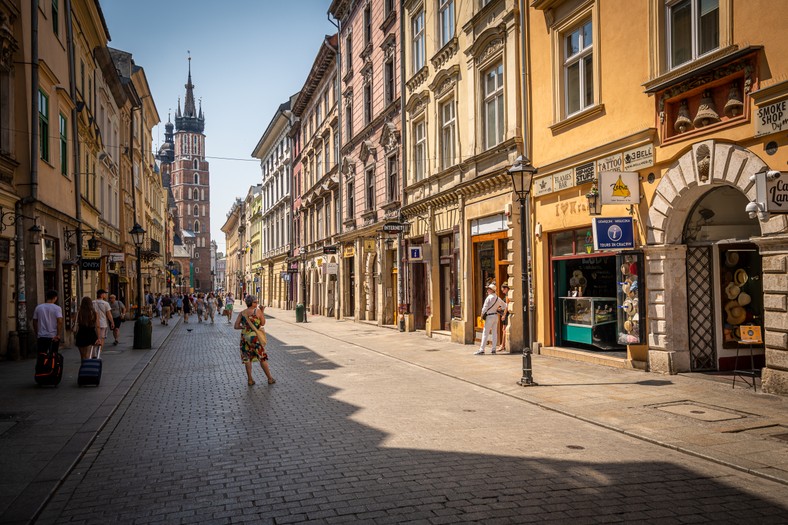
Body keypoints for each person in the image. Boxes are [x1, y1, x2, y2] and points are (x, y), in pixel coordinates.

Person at [234, 295, 275, 386]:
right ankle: (270, 378)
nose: (257, 303)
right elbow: (263, 323)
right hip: (255, 338)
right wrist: (262, 312)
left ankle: (250, 380)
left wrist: (244, 327)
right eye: (255, 302)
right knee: (262, 357)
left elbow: (236, 326)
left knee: (247, 358)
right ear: (250, 303)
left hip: (245, 338)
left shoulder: (242, 313)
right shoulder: (258, 311)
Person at [475, 283, 506, 355]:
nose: (487, 290)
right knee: (494, 333)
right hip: (495, 316)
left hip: (489, 316)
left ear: (492, 290)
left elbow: (484, 308)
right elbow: (505, 305)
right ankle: (493, 349)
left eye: (489, 289)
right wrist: (498, 308)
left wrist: (482, 316)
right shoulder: (498, 298)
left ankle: (482, 349)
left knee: (485, 332)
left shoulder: (489, 297)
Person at [32, 289, 63, 355]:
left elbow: (34, 321)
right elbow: (59, 321)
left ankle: (41, 365)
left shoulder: (38, 307)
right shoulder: (57, 308)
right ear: (55, 298)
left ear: (46, 297)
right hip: (53, 336)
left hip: (41, 336)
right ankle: (52, 365)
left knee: (41, 355)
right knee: (53, 355)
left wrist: (37, 333)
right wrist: (58, 334)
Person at [496, 284, 511, 353]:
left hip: (506, 314)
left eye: (503, 290)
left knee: (504, 329)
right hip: (506, 313)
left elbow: (507, 306)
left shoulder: (508, 295)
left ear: (506, 288)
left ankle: (502, 345)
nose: (503, 292)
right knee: (503, 329)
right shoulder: (507, 294)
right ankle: (502, 344)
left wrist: (504, 315)